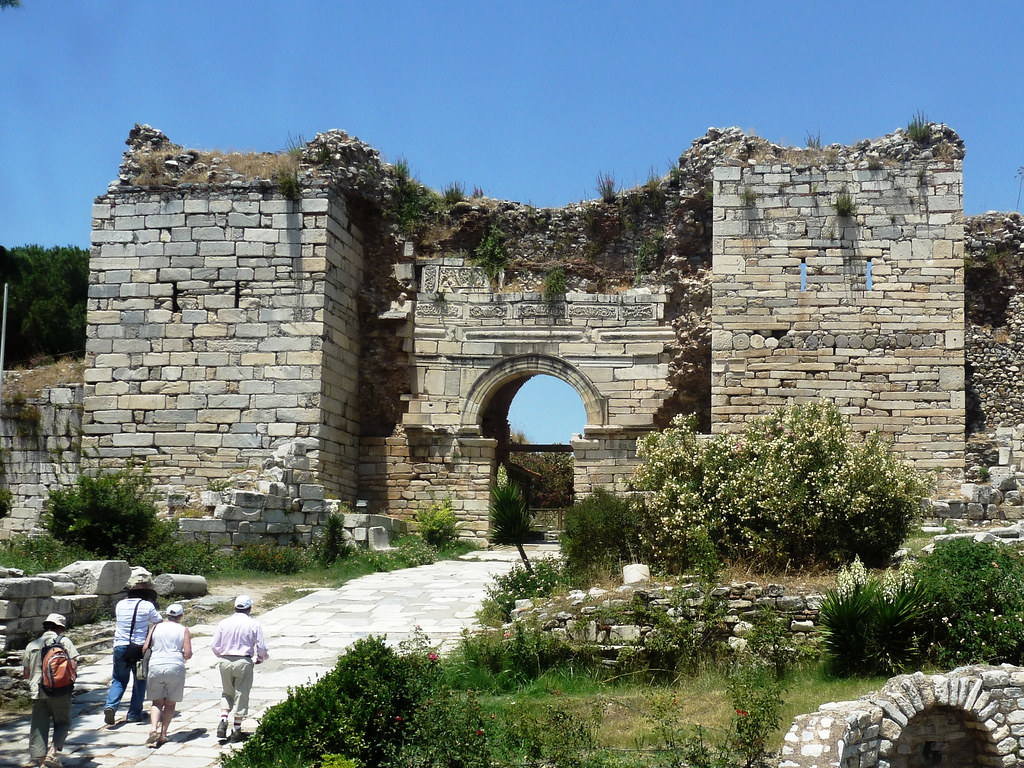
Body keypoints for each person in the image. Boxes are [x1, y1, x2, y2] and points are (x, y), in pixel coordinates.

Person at [23, 613, 80, 768]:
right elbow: (73, 664)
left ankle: (42, 762)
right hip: (60, 690)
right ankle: (52, 753)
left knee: (38, 726)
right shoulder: (64, 642)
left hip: (38, 691)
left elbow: (26, 673)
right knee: (63, 722)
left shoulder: (32, 644)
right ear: (60, 628)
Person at [211, 594, 269, 742]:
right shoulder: (253, 624)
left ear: (235, 607)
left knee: (227, 692)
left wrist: (222, 656)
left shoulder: (224, 623)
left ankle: (223, 719)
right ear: (249, 608)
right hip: (243, 660)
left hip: (225, 660)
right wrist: (260, 658)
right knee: (241, 694)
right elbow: (261, 647)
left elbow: (215, 645)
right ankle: (236, 729)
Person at [104, 576, 161, 725]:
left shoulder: (120, 604)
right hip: (140, 648)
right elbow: (158, 621)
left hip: (120, 646)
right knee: (140, 681)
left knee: (118, 679)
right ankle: (134, 713)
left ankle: (111, 706)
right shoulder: (147, 606)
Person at [142, 602, 192, 748]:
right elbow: (188, 654)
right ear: (181, 616)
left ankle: (153, 728)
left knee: (157, 702)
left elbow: (145, 648)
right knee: (170, 703)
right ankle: (163, 734)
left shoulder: (156, 627)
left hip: (156, 665)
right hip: (174, 666)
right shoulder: (183, 629)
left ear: (167, 615)